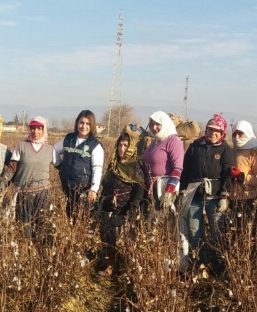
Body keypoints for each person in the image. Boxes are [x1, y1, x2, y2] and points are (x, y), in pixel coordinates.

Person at [180, 113, 235, 266]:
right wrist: (181, 191)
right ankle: (198, 263)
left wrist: (224, 195)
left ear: (222, 132)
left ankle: (217, 265)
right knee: (194, 232)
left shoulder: (225, 150)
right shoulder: (195, 147)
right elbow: (185, 170)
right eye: (210, 130)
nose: (213, 133)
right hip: (194, 195)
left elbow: (227, 174)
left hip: (215, 196)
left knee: (216, 233)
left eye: (216, 130)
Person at [97, 125, 145, 274]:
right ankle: (109, 266)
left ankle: (124, 270)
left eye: (126, 145)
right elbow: (105, 184)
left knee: (124, 241)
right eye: (120, 145)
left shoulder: (135, 166)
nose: (122, 148)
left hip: (124, 209)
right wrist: (102, 202)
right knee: (108, 240)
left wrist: (133, 206)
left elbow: (139, 188)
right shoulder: (113, 165)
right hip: (109, 208)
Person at [8, 117, 57, 239]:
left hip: (42, 193)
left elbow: (62, 166)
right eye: (33, 128)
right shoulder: (21, 146)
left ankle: (38, 252)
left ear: (44, 130)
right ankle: (25, 251)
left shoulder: (50, 149)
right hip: (23, 193)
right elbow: (11, 168)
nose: (35, 131)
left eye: (39, 128)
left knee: (41, 226)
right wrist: (2, 184)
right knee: (23, 227)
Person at [54, 110, 104, 219]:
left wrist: (94, 189)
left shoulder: (95, 145)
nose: (84, 126)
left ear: (92, 126)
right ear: (77, 123)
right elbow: (54, 150)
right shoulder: (68, 139)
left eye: (88, 124)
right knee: (69, 216)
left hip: (83, 188)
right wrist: (59, 166)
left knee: (83, 218)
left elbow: (97, 169)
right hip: (67, 186)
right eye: (81, 123)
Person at [228, 120, 257, 238]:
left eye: (240, 134)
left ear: (248, 133)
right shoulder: (231, 151)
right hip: (229, 199)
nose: (237, 137)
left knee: (246, 234)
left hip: (247, 200)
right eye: (234, 134)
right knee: (230, 233)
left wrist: (241, 177)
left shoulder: (255, 153)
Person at [140, 111, 185, 214]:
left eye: (157, 124)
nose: (154, 127)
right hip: (149, 190)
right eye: (151, 125)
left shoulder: (173, 141)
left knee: (160, 222)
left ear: (164, 124)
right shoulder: (156, 141)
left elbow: (177, 169)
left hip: (162, 192)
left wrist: (169, 191)